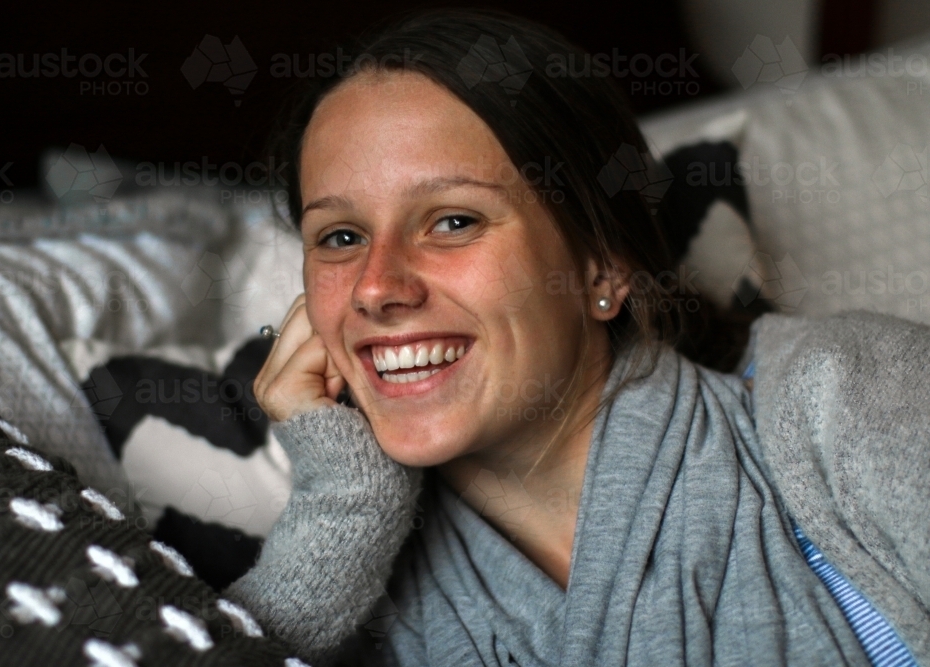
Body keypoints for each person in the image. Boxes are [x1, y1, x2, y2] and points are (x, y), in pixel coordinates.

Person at [226, 9, 930, 666]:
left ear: (602, 262)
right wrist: (340, 507)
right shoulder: (356, 597)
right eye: (341, 237)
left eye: (453, 221)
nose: (377, 286)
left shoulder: (851, 396)